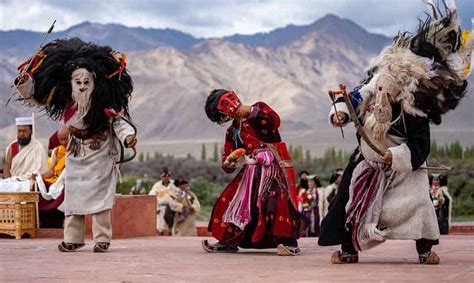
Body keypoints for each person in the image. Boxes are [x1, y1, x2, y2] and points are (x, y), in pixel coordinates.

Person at [319, 2, 472, 264]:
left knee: (419, 204)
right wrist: (340, 112)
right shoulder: (372, 86)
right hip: (367, 161)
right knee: (349, 202)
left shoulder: (415, 105)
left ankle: (425, 250)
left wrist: (396, 156)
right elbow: (353, 99)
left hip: (402, 170)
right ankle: (348, 250)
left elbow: (420, 144)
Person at [11, 37, 137, 252]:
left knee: (100, 201)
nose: (82, 86)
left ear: (95, 83)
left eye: (86, 82)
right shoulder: (68, 104)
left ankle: (102, 239)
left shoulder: (106, 107)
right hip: (76, 156)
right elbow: (38, 96)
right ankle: (73, 239)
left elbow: (119, 123)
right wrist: (25, 83)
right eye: (78, 82)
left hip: (101, 156)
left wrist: (128, 137)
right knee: (73, 200)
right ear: (70, 84)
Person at [201, 89, 300, 256]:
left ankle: (289, 242)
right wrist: (230, 162)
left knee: (275, 200)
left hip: (274, 166)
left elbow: (274, 121)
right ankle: (228, 241)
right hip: (251, 171)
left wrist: (251, 111)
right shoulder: (232, 131)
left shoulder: (258, 109)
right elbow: (228, 160)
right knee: (230, 200)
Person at [0, 117, 48, 192]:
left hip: (29, 182)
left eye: (25, 131)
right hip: (13, 182)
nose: (22, 134)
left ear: (31, 131)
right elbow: (7, 167)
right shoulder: (12, 147)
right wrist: (8, 182)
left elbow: (40, 172)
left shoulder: (38, 148)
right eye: (19, 131)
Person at [148, 168, 183, 235]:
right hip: (161, 209)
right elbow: (152, 197)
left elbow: (180, 193)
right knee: (160, 227)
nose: (167, 177)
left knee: (171, 227)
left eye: (168, 175)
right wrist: (156, 208)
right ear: (161, 176)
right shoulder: (157, 186)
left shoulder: (174, 184)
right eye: (164, 176)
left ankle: (170, 239)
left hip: (172, 208)